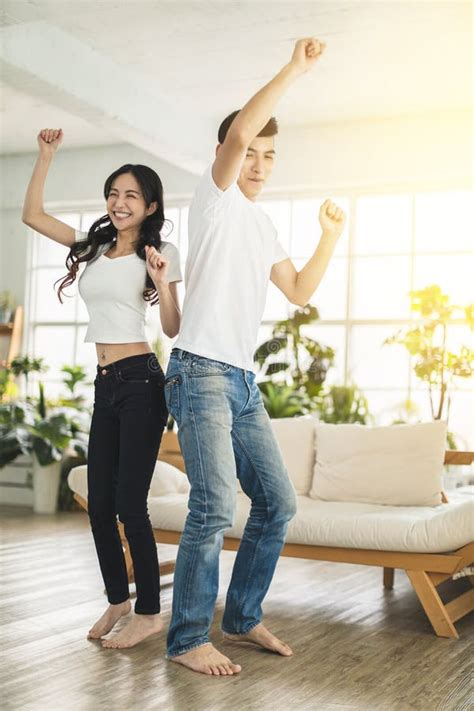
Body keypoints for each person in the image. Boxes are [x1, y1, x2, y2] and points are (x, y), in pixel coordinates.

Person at [164, 37, 346, 675]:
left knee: (277, 502)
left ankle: (241, 615)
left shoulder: (263, 225)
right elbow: (238, 132)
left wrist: (329, 237)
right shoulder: (214, 200)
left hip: (241, 380)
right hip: (199, 370)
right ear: (228, 155)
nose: (260, 164)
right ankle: (188, 637)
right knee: (214, 504)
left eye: (272, 156)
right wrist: (295, 69)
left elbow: (299, 291)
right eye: (252, 152)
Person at [22, 128, 182, 648]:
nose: (118, 202)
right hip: (106, 383)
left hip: (141, 383)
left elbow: (174, 326)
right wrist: (46, 157)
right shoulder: (93, 247)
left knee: (129, 504)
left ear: (150, 204)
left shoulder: (161, 251)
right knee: (98, 497)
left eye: (130, 195)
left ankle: (150, 612)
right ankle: (119, 598)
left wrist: (160, 282)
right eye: (113, 194)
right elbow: (33, 216)